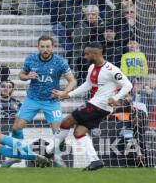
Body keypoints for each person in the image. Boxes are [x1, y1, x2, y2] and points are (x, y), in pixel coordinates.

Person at [52, 42, 133, 171]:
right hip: (99, 106)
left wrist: (115, 98)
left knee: (66, 122)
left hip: (98, 105)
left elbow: (128, 85)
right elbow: (87, 85)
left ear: (95, 54)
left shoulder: (112, 69)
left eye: (87, 54)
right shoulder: (91, 68)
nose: (84, 56)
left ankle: (49, 150)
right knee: (79, 132)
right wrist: (68, 94)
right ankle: (95, 161)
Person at [4, 34, 76, 167]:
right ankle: (17, 155)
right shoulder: (31, 59)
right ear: (38, 47)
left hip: (51, 101)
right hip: (32, 99)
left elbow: (72, 81)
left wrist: (65, 92)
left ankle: (57, 156)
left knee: (59, 132)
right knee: (16, 128)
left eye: (48, 46)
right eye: (42, 47)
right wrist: (27, 76)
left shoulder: (60, 62)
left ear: (52, 47)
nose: (45, 49)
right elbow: (21, 75)